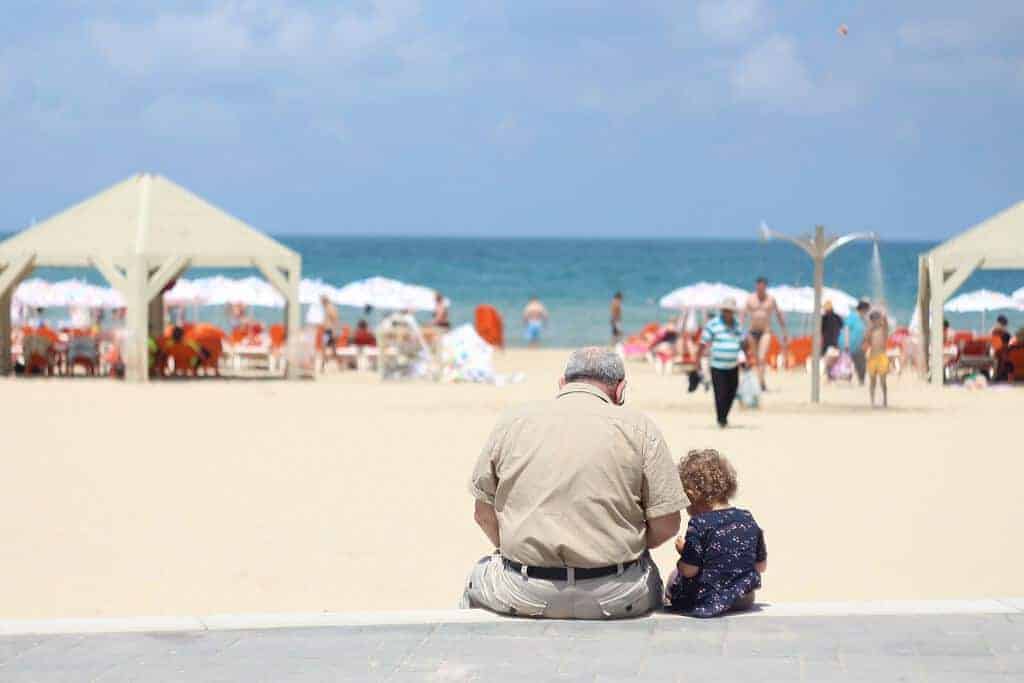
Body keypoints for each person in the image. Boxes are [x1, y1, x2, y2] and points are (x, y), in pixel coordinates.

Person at [462, 347, 688, 619]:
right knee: (652, 577)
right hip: (617, 592)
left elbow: (482, 514)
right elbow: (667, 524)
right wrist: (624, 543)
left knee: (476, 578)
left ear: (562, 383)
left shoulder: (514, 421)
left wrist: (515, 548)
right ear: (620, 390)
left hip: (523, 590)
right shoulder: (640, 427)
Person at [665, 449, 767, 617]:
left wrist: (684, 554)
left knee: (674, 577)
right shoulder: (747, 518)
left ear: (690, 496)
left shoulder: (699, 524)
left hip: (708, 597)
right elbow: (760, 566)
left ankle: (671, 600)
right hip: (744, 598)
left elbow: (689, 570)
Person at [696, 298, 745, 428]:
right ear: (722, 311)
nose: (728, 313)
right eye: (725, 310)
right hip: (717, 365)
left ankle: (724, 415)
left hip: (733, 365)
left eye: (730, 311)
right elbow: (703, 343)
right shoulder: (713, 324)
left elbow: (741, 343)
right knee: (720, 392)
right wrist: (697, 361)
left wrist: (745, 357)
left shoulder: (737, 325)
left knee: (732, 391)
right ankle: (721, 419)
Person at [742, 277, 788, 390]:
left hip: (765, 332)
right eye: (758, 286)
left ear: (765, 287)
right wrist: (740, 330)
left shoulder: (771, 299)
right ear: (756, 286)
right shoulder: (750, 299)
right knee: (756, 359)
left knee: (762, 357)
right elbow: (743, 315)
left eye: (762, 286)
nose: (760, 288)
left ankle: (761, 383)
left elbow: (778, 314)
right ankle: (761, 381)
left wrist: (784, 331)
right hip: (752, 332)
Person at [865, 310, 890, 408]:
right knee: (872, 381)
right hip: (872, 356)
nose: (875, 322)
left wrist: (883, 316)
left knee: (883, 381)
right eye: (873, 320)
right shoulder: (871, 330)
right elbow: (866, 339)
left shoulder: (883, 329)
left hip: (882, 356)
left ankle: (885, 400)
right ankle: (872, 401)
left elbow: (886, 322)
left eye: (877, 319)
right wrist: (870, 328)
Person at [844, 300, 870, 385]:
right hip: (851, 344)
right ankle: (849, 379)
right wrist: (847, 343)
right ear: (863, 309)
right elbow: (847, 329)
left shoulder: (864, 319)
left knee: (861, 363)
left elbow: (866, 332)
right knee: (850, 362)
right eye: (867, 310)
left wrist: (866, 342)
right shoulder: (853, 317)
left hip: (860, 345)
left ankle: (861, 380)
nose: (867, 312)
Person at [821, 300, 844, 380]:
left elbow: (821, 330)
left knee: (827, 360)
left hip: (827, 342)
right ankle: (833, 375)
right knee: (835, 359)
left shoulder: (824, 318)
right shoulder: (838, 317)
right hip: (836, 341)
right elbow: (842, 327)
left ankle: (830, 375)